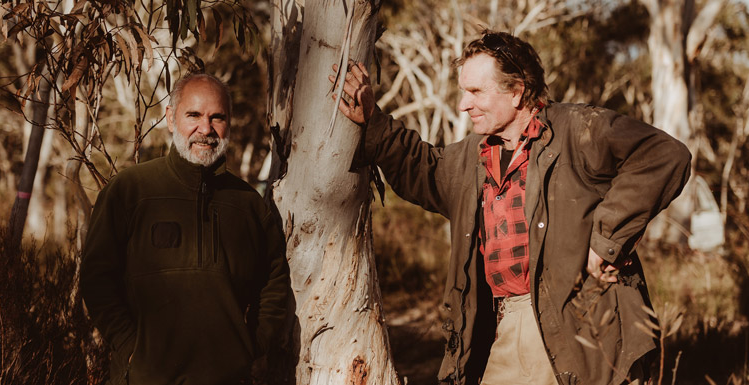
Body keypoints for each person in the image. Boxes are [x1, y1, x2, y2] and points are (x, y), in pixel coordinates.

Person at [331, 31, 691, 385]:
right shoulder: (470, 158)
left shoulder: (578, 129)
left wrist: (606, 240)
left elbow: (663, 156)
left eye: (475, 92)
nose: (463, 104)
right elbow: (421, 168)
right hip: (507, 323)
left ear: (517, 91)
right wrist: (373, 121)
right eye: (463, 92)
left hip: (582, 321)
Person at [80, 73, 290, 385]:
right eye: (194, 115)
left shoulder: (248, 204)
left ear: (229, 122)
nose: (205, 129)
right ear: (170, 117)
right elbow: (97, 278)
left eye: (217, 117)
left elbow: (273, 282)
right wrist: (132, 350)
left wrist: (253, 346)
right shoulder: (129, 190)